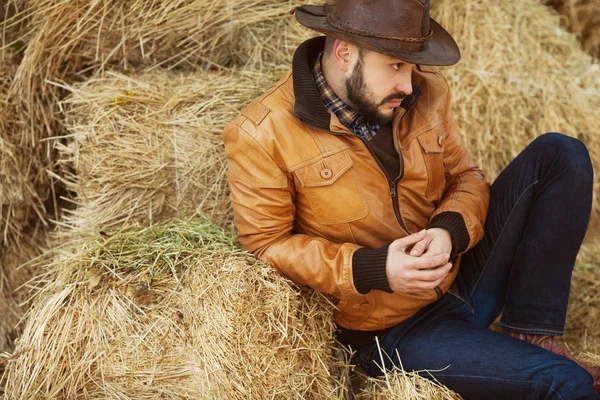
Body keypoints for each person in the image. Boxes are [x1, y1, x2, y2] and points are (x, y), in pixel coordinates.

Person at [222, 0, 600, 398]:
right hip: (390, 331)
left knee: (561, 154)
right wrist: (374, 268)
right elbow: (267, 246)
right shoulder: (261, 133)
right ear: (345, 53)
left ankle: (532, 331)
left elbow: (466, 178)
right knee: (567, 383)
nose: (408, 82)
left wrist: (447, 231)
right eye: (395, 65)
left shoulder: (425, 89)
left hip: (460, 275)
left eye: (410, 64)